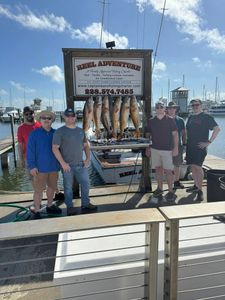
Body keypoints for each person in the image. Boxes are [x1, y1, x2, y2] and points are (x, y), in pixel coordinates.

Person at [52, 108, 97, 216]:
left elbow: (86, 146)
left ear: (75, 117)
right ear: (64, 117)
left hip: (81, 164)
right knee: (68, 188)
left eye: (72, 116)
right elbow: (54, 148)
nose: (70, 118)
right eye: (68, 116)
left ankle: (85, 204)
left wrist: (87, 158)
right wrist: (63, 163)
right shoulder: (60, 131)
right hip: (67, 166)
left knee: (86, 184)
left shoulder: (81, 131)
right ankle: (70, 207)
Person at [27, 110, 62, 219]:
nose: (46, 120)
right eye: (44, 118)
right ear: (40, 120)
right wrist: (32, 166)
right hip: (39, 169)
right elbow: (30, 151)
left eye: (49, 118)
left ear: (52, 120)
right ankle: (37, 210)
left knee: (51, 188)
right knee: (38, 191)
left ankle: (50, 205)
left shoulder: (56, 133)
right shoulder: (34, 134)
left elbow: (62, 149)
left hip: (53, 167)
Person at [186, 99, 220, 201]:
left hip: (200, 147)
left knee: (198, 166)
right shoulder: (190, 117)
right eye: (193, 105)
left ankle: (200, 191)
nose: (195, 107)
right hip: (190, 146)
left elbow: (217, 129)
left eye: (197, 105)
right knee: (192, 166)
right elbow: (187, 131)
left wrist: (209, 142)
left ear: (201, 105)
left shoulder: (206, 117)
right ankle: (196, 186)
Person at [146, 101, 178, 202]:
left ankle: (171, 191)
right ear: (155, 108)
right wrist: (148, 147)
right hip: (155, 149)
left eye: (161, 107)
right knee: (158, 169)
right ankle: (159, 188)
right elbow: (148, 136)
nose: (159, 108)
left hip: (167, 150)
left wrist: (176, 148)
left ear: (165, 109)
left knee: (168, 171)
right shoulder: (151, 121)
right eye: (157, 107)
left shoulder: (170, 120)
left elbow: (175, 135)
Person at [166, 101, 187, 189]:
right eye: (170, 108)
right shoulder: (164, 119)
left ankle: (177, 182)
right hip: (166, 146)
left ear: (176, 109)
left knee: (177, 165)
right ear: (167, 109)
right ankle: (169, 184)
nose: (172, 109)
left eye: (173, 108)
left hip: (178, 146)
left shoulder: (181, 120)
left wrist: (185, 144)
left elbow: (184, 133)